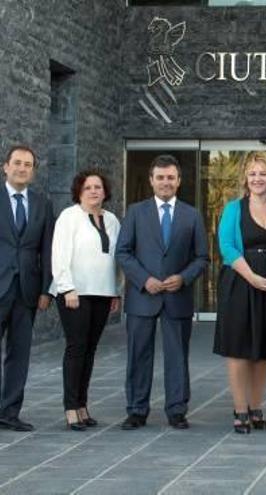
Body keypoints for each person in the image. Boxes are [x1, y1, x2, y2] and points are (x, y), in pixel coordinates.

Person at [116, 154, 208, 430]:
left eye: (170, 178)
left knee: (177, 355)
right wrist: (144, 280)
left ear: (178, 181)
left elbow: (202, 257)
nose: (165, 182)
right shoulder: (135, 212)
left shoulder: (191, 215)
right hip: (143, 297)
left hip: (177, 296)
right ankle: (136, 410)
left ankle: (177, 410)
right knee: (138, 354)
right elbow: (123, 251)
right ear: (151, 180)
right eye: (160, 177)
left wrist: (184, 277)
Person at [214, 152, 266, 434]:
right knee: (239, 349)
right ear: (245, 179)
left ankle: (256, 405)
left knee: (263, 350)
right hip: (240, 283)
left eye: (263, 173)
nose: (257, 178)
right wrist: (253, 278)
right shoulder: (233, 209)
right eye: (252, 174)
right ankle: (240, 409)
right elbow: (227, 246)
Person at [50, 170, 122, 431]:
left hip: (102, 293)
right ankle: (70, 407)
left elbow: (115, 258)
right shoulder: (70, 217)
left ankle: (82, 405)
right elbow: (59, 254)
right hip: (75, 294)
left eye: (98, 187)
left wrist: (116, 290)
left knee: (90, 350)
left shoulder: (112, 220)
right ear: (79, 191)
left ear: (105, 191)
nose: (94, 191)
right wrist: (67, 288)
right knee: (76, 348)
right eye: (88, 187)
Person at [0, 145, 54, 432]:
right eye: (17, 163)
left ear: (33, 171)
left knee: (19, 354)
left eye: (28, 164)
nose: (22, 168)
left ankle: (9, 413)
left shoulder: (42, 204)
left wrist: (47, 289)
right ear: (5, 167)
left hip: (27, 290)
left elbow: (47, 250)